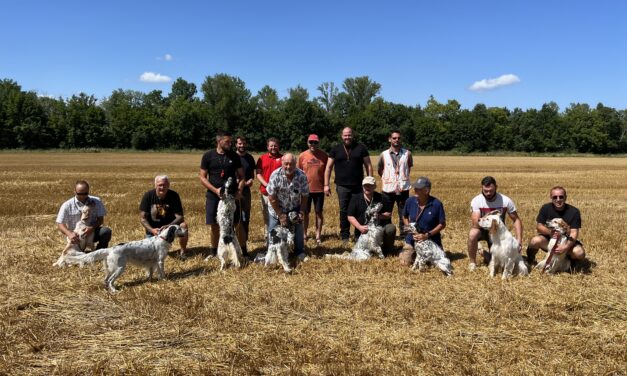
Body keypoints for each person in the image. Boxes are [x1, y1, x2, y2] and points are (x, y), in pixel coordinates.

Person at [324, 127, 373, 245]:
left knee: (360, 210)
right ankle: (344, 236)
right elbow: (328, 167)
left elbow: (369, 165)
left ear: (353, 135)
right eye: (345, 135)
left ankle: (358, 235)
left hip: (358, 185)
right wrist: (326, 184)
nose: (347, 137)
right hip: (342, 186)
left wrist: (369, 181)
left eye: (349, 135)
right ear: (342, 136)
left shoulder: (361, 148)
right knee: (344, 211)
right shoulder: (335, 149)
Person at [199, 132, 245, 257]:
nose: (230, 144)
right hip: (213, 196)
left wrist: (239, 192)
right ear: (219, 141)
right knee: (214, 225)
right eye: (227, 142)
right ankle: (214, 252)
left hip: (231, 197)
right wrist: (215, 190)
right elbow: (202, 177)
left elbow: (242, 176)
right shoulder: (208, 156)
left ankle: (241, 252)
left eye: (230, 142)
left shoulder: (234, 156)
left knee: (236, 224)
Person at [467, 176, 523, 271]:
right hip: (482, 230)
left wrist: (519, 240)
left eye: (491, 191)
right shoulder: (477, 201)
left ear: (496, 187)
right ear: (482, 188)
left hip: (498, 233)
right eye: (485, 191)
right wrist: (489, 217)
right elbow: (476, 223)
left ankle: (484, 253)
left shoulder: (506, 201)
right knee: (472, 234)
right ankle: (472, 262)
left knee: (494, 263)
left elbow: (516, 220)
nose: (488, 193)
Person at [266, 153, 309, 261]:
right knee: (273, 231)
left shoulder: (302, 175)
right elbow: (271, 197)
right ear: (282, 163)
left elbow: (304, 196)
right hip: (276, 209)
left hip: (294, 208)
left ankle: (299, 251)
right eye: (286, 164)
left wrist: (302, 211)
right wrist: (280, 215)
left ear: (296, 164)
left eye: (291, 164)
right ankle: (272, 254)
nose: (288, 167)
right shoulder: (275, 175)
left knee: (299, 228)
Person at [526, 186, 586, 264]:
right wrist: (550, 232)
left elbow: (574, 233)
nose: (558, 200)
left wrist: (565, 247)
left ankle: (571, 265)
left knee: (579, 253)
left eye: (561, 197)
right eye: (555, 197)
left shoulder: (574, 211)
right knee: (535, 241)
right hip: (550, 240)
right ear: (551, 197)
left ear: (565, 197)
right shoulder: (545, 208)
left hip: (566, 241)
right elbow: (539, 226)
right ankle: (530, 260)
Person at [139, 175, 188, 257]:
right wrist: (152, 230)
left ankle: (183, 251)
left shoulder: (174, 195)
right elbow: (142, 218)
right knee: (150, 254)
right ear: (155, 185)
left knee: (184, 225)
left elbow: (180, 216)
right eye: (160, 185)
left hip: (170, 227)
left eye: (164, 185)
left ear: (168, 185)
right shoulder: (148, 196)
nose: (162, 187)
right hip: (154, 229)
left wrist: (168, 226)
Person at [56, 180, 111, 250]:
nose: (82, 196)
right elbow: (60, 223)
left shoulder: (97, 201)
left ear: (88, 191)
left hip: (92, 232)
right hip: (76, 235)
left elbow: (100, 219)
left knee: (106, 231)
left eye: (85, 193)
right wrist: (69, 234)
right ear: (74, 191)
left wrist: (91, 228)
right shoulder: (67, 205)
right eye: (79, 194)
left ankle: (100, 252)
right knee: (75, 255)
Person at [347, 176, 396, 254]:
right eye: (365, 185)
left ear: (375, 186)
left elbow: (389, 214)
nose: (367, 187)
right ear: (362, 186)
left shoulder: (382, 197)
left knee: (391, 228)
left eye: (370, 185)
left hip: (378, 230)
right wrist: (359, 227)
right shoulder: (355, 198)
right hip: (363, 231)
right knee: (365, 252)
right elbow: (350, 216)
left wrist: (380, 216)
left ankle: (388, 250)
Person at [377, 130, 413, 233]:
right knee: (386, 213)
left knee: (404, 213)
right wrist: (389, 179)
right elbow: (380, 170)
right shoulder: (383, 154)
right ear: (390, 139)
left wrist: (402, 178)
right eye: (394, 138)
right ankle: (388, 233)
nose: (397, 140)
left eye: (398, 138)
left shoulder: (408, 153)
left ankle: (404, 234)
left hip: (403, 188)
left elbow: (408, 168)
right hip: (388, 189)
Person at [401, 177, 446, 256]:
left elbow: (442, 224)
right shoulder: (409, 201)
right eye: (415, 187)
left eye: (418, 188)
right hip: (412, 238)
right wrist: (410, 230)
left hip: (431, 240)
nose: (415, 190)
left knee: (438, 262)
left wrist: (426, 235)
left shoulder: (437, 204)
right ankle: (409, 250)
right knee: (405, 262)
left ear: (426, 191)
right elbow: (404, 216)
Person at [297, 134, 328, 246]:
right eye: (311, 142)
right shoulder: (302, 156)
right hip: (305, 190)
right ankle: (304, 234)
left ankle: (318, 235)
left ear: (318, 143)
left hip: (319, 190)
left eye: (315, 142)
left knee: (318, 213)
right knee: (305, 213)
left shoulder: (324, 155)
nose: (313, 144)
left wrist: (326, 185)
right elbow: (298, 173)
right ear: (307, 143)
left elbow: (326, 172)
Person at [256, 137, 283, 244]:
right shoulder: (262, 158)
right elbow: (258, 174)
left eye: (275, 145)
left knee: (280, 215)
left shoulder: (283, 158)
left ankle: (280, 239)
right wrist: (267, 185)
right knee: (267, 217)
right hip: (266, 193)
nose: (273, 147)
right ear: (267, 147)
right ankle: (268, 240)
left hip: (280, 194)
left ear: (278, 146)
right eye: (271, 145)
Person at [235, 135, 255, 257]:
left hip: (246, 192)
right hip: (235, 191)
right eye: (239, 144)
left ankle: (244, 241)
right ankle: (235, 240)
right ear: (236, 145)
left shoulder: (250, 158)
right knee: (234, 216)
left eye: (243, 143)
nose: (242, 146)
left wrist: (251, 180)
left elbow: (252, 174)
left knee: (245, 216)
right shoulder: (232, 156)